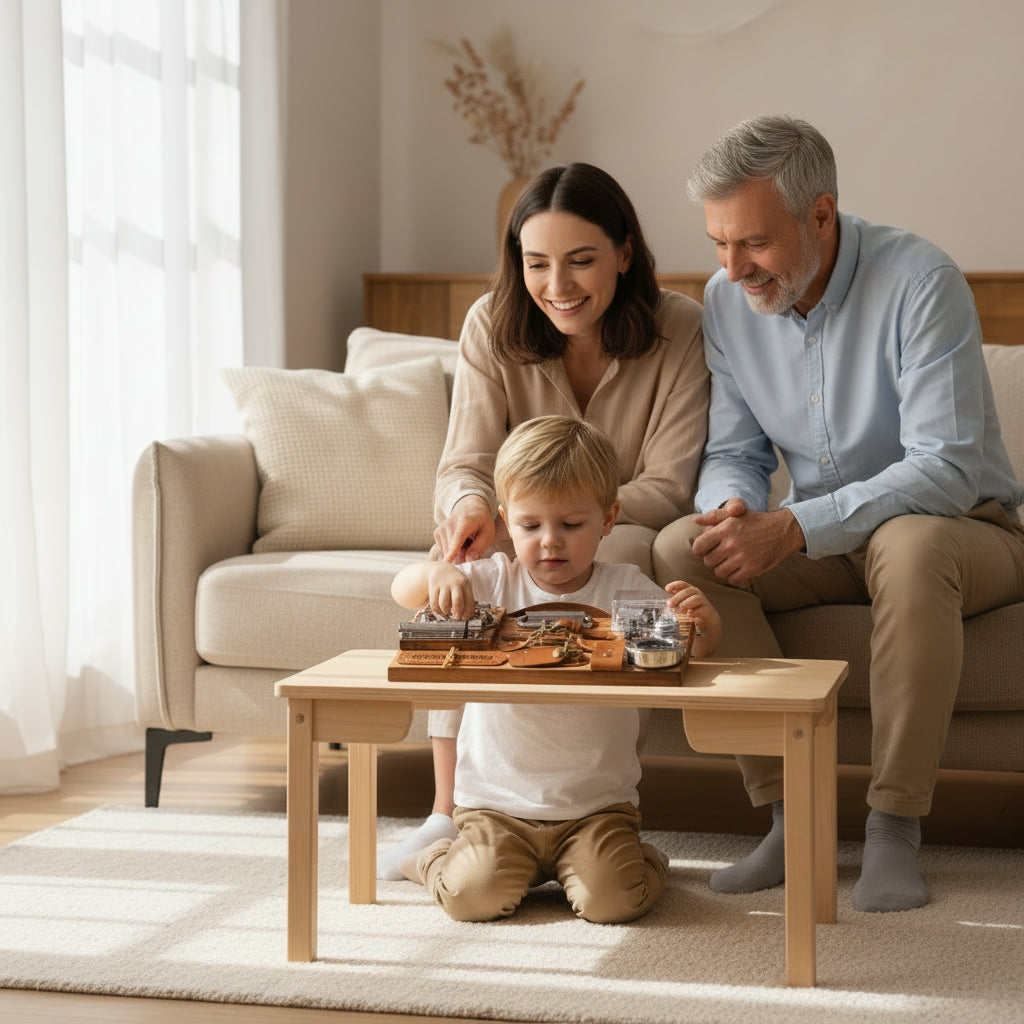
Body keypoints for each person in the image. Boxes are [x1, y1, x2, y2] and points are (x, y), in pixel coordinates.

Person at [652, 114, 1024, 913]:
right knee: (686, 546)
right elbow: (735, 451)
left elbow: (946, 468)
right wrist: (733, 507)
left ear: (821, 214)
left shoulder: (921, 281)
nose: (732, 266)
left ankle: (894, 827)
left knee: (912, 544)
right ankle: (795, 817)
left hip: (968, 528)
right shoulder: (725, 301)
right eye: (718, 242)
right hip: (822, 535)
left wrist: (791, 528)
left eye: (751, 242)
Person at [378, 162, 708, 879]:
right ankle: (448, 808)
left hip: (624, 525)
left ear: (624, 252)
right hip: (513, 527)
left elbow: (669, 485)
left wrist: (570, 520)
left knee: (626, 563)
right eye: (537, 264)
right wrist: (476, 513)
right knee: (463, 578)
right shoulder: (491, 326)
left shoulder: (679, 326)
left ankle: (596, 802)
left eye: (582, 261)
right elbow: (465, 462)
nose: (558, 286)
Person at [391, 415, 721, 922]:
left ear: (608, 519)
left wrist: (703, 626)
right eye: (529, 526)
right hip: (494, 810)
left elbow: (690, 653)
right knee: (469, 898)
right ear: (504, 522)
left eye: (571, 525)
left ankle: (645, 859)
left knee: (611, 903)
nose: (550, 541)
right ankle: (432, 858)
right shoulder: (494, 582)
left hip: (598, 811)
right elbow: (403, 591)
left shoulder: (625, 590)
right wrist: (438, 571)